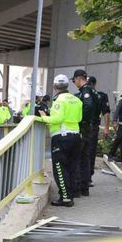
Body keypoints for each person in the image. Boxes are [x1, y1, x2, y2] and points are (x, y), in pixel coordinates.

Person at [35, 74, 82, 207]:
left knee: (60, 167)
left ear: (54, 87)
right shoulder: (76, 99)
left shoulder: (59, 100)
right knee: (72, 167)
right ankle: (71, 194)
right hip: (76, 136)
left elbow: (57, 119)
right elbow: (79, 117)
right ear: (67, 85)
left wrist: (43, 117)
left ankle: (65, 197)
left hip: (61, 137)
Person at [72, 69, 98, 197]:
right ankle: (85, 187)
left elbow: (87, 106)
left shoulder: (86, 91)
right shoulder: (94, 91)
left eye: (74, 80)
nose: (74, 83)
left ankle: (77, 188)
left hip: (84, 127)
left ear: (78, 78)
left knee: (78, 157)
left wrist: (81, 119)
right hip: (90, 127)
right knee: (86, 157)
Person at [86, 76, 111, 186]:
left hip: (93, 127)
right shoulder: (81, 94)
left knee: (90, 151)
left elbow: (106, 112)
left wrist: (106, 128)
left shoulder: (101, 96)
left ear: (92, 84)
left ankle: (88, 177)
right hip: (82, 127)